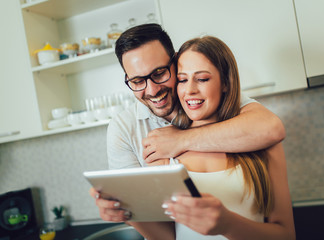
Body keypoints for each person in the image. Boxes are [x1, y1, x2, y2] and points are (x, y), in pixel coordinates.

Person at [89, 24, 286, 224]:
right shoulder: (123, 128)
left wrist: (181, 140)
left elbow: (271, 128)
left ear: (175, 62)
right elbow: (158, 224)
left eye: (158, 73)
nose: (152, 90)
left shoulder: (210, 99)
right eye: (138, 81)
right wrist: (125, 212)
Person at [124, 36, 295, 240]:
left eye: (202, 79)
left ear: (225, 83)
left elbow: (286, 235)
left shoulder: (261, 143)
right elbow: (167, 238)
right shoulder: (161, 150)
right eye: (182, 80)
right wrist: (129, 213)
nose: (189, 90)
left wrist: (228, 224)